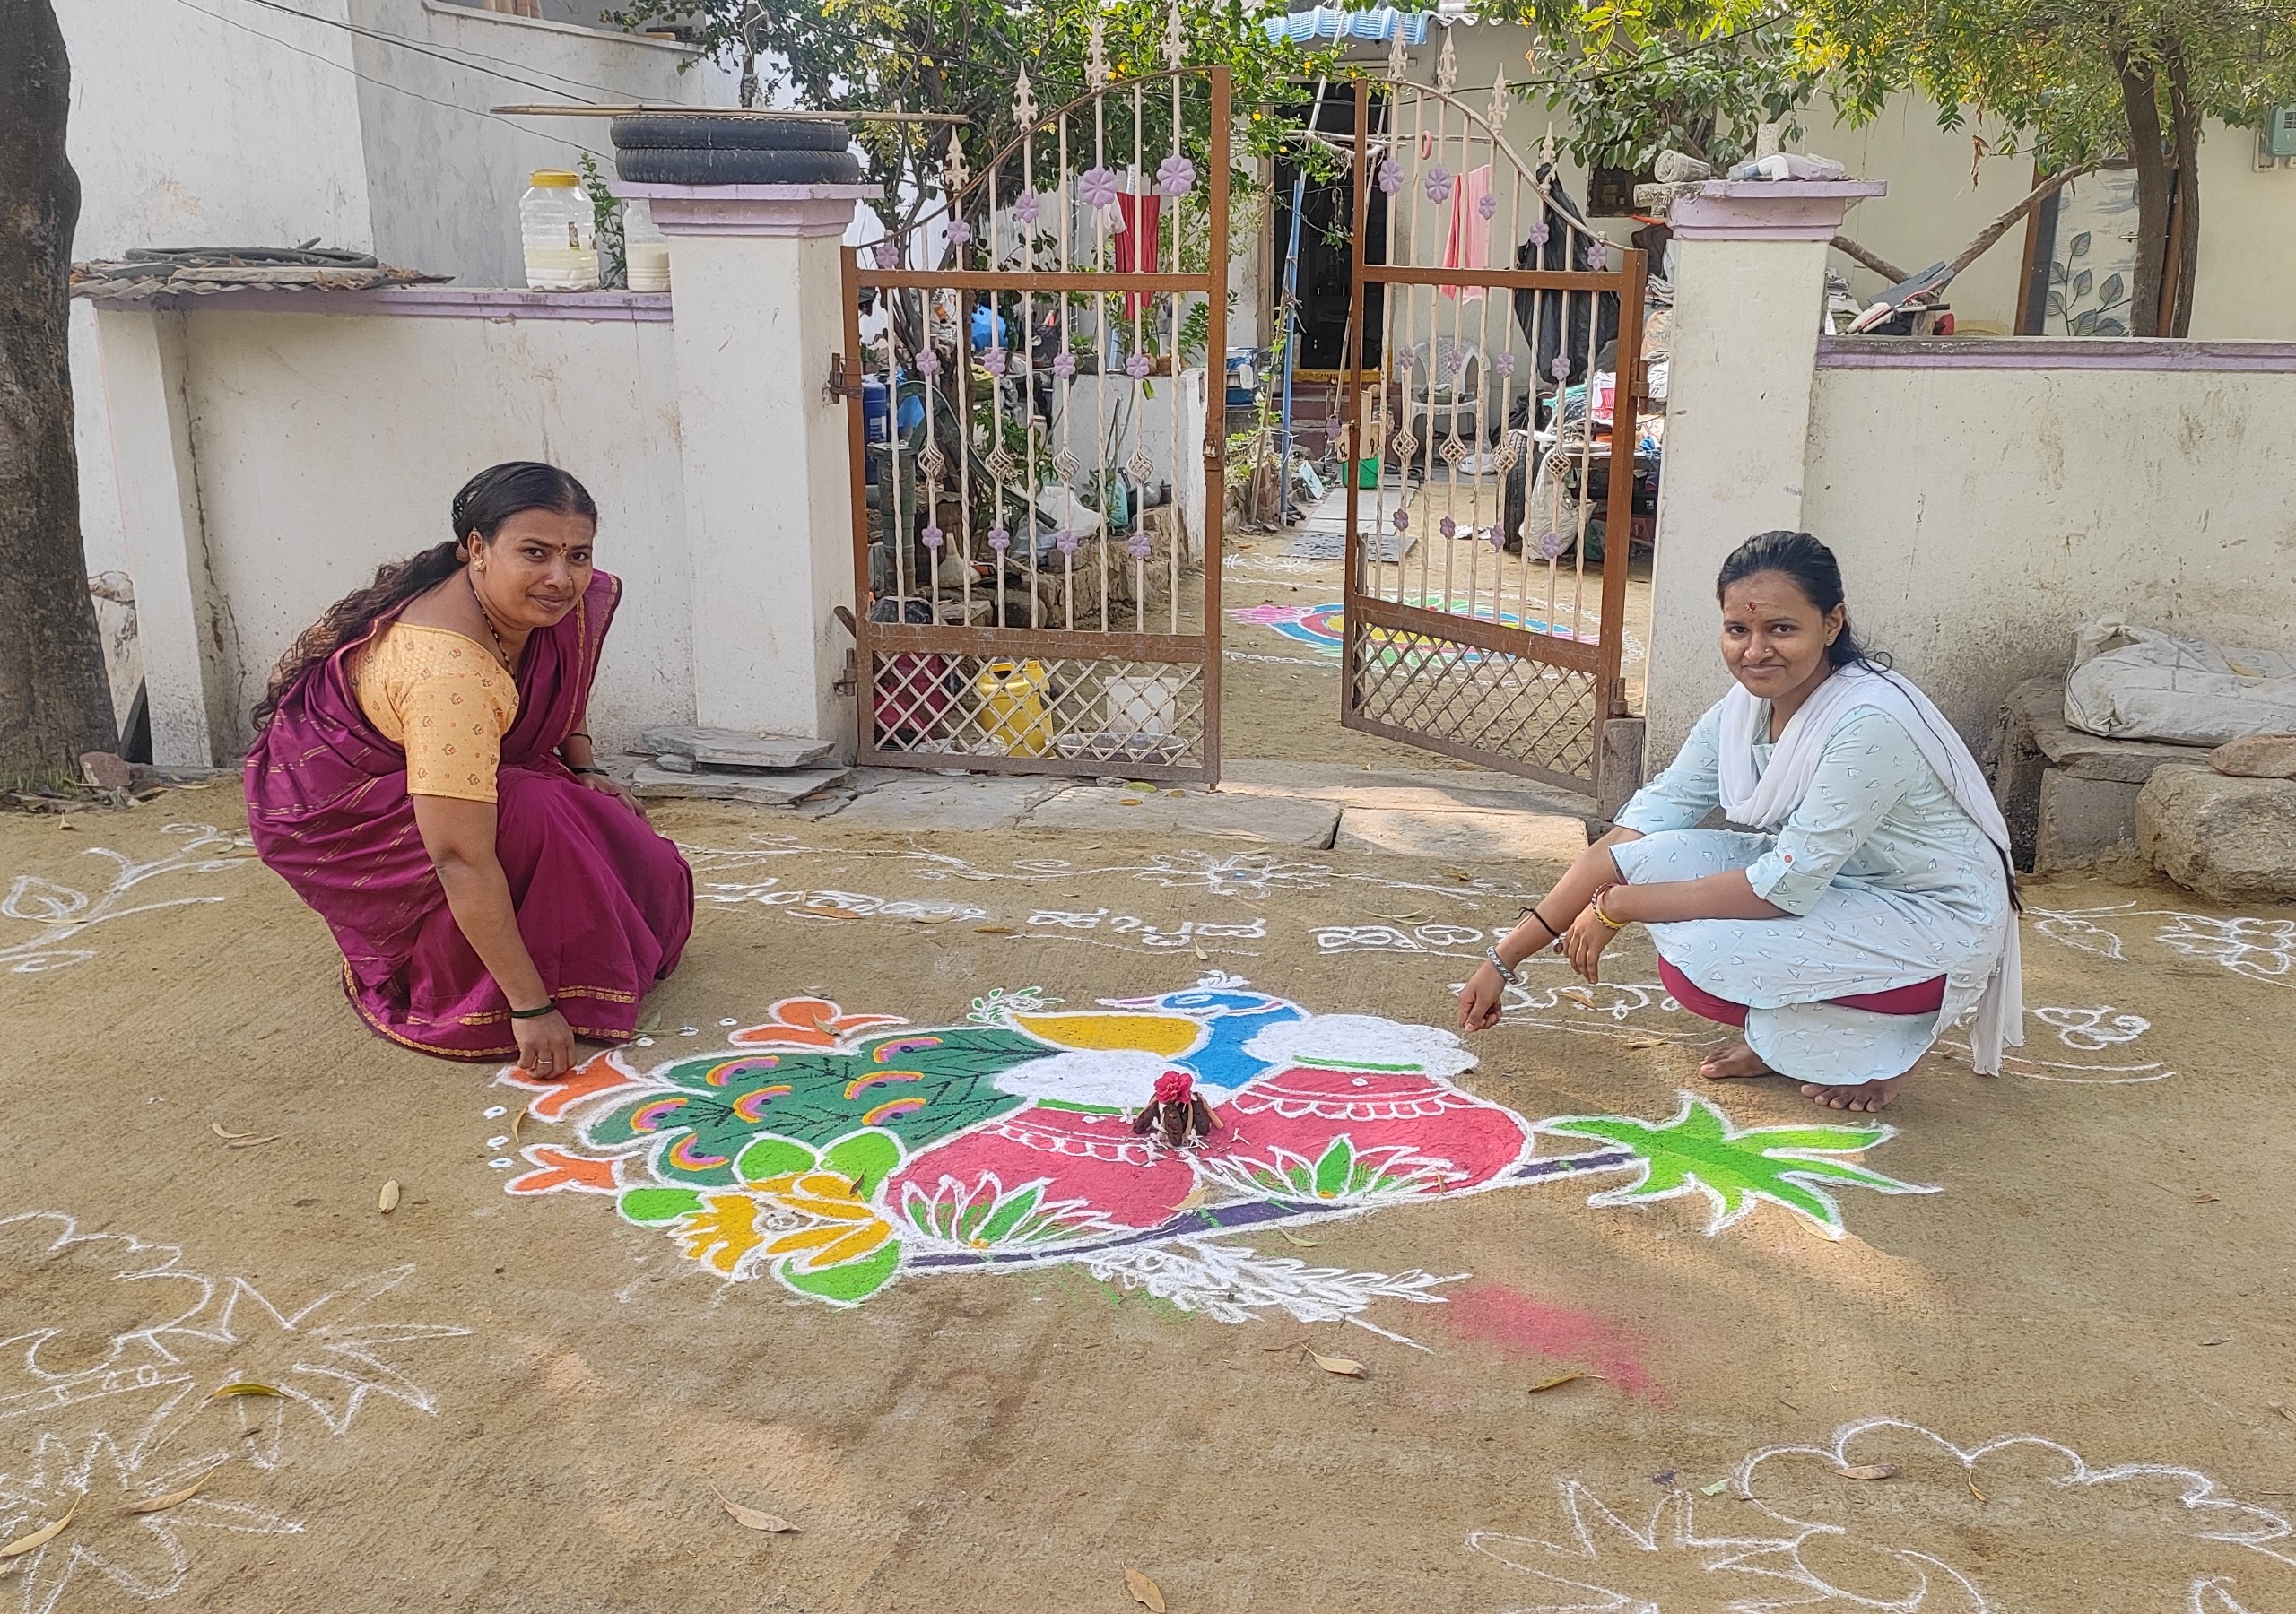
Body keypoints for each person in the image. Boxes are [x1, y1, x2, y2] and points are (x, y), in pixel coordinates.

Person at [1458, 530, 2021, 1112]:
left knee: (1707, 953)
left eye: (1782, 628)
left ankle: (1882, 1054)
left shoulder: (1868, 723)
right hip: (1845, 887)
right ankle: (1786, 1043)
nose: (1756, 651)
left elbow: (1783, 888)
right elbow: (1637, 832)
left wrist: (1616, 907)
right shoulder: (1743, 712)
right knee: (1649, 865)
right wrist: (1503, 959)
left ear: (1832, 625)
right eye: (1738, 630)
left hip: (1935, 916)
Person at [245, 462, 694, 1077]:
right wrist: (530, 1008)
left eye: (577, 555)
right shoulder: (447, 674)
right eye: (534, 553)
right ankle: (456, 976)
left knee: (624, 848)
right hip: (357, 816)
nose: (561, 578)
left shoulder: (551, 606)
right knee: (537, 811)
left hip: (459, 767)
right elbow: (457, 858)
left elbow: (563, 679)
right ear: (476, 548)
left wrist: (585, 767)